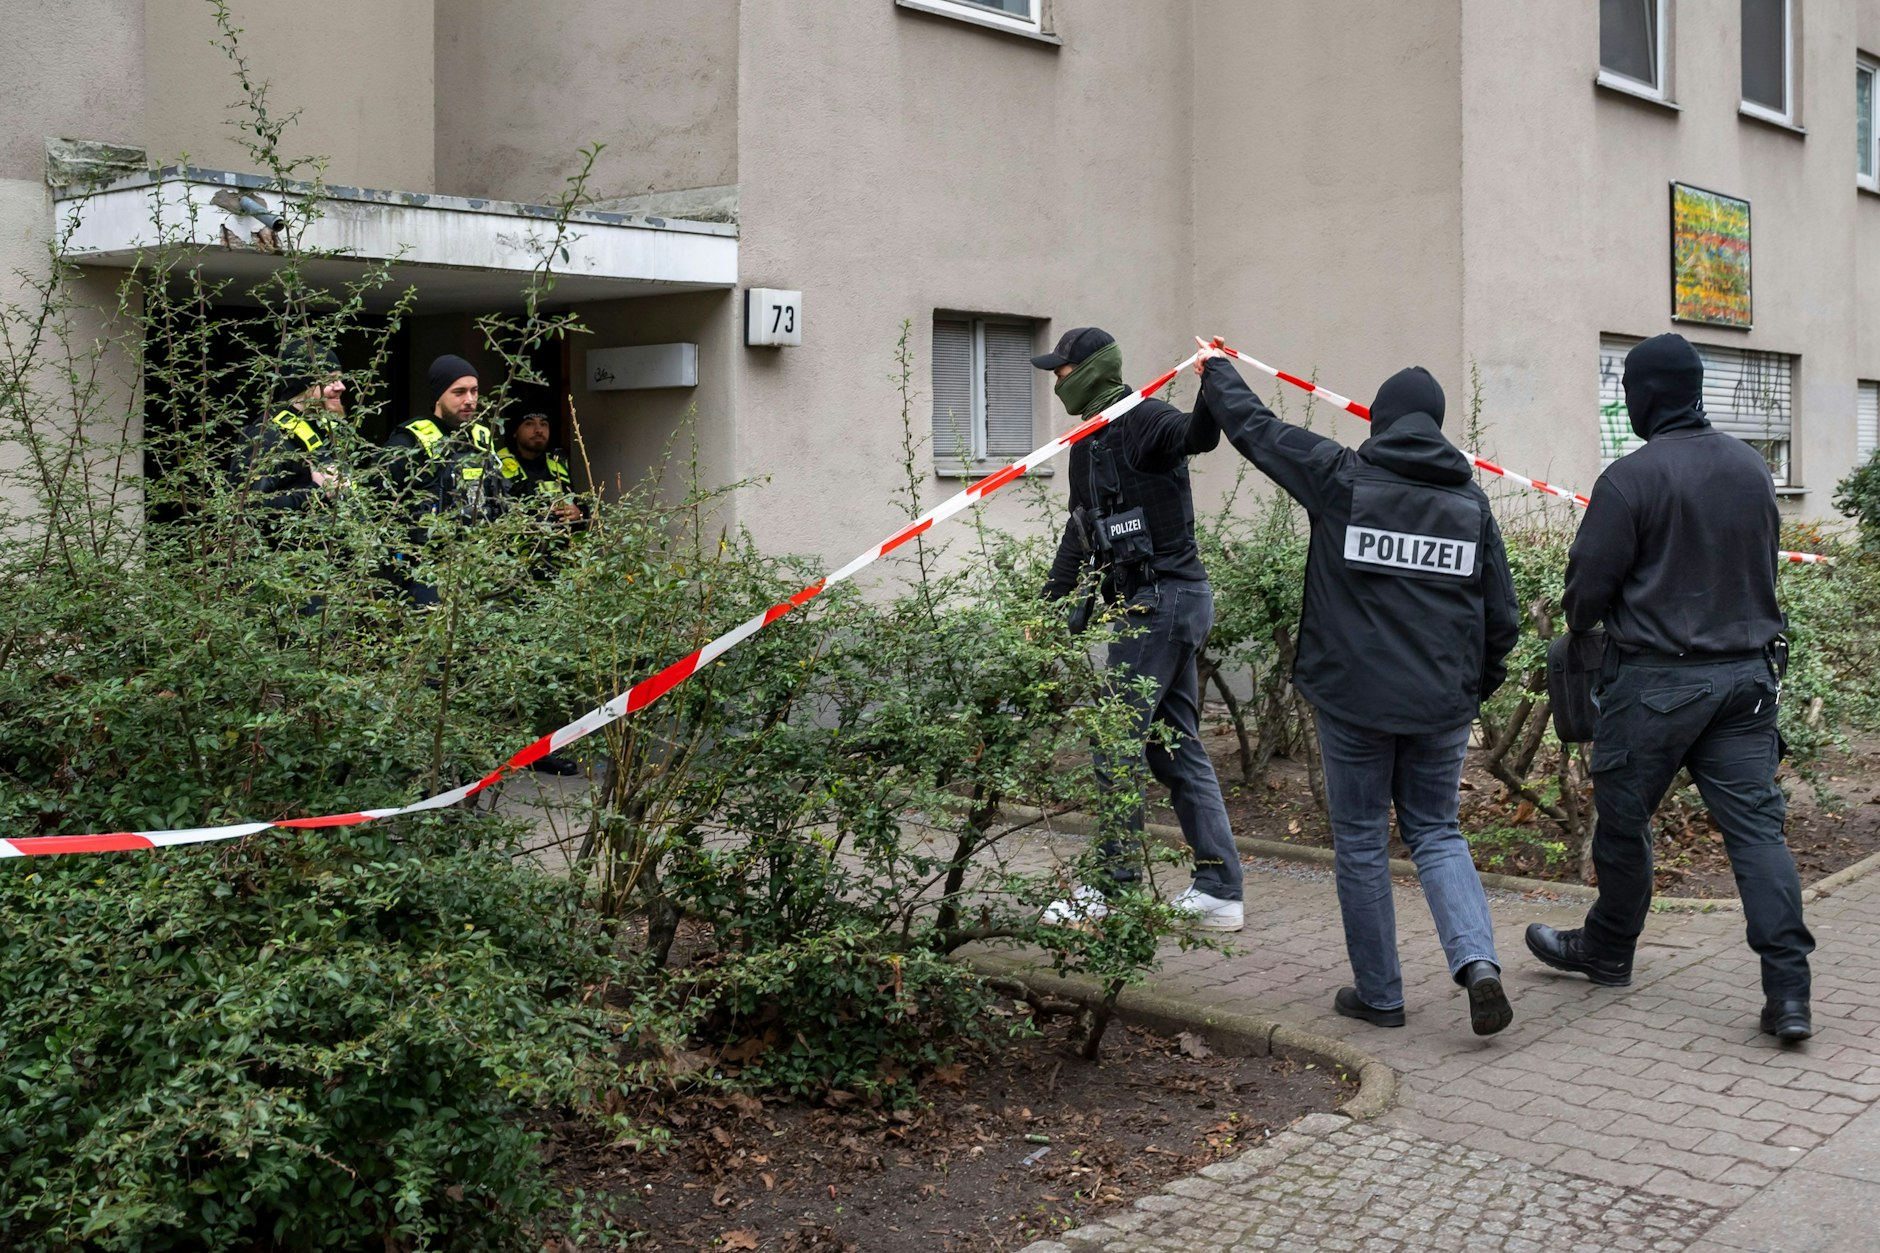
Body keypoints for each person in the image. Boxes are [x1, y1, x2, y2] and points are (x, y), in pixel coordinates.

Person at [1194, 345, 1519, 1036]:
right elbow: (1504, 619)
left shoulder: (1342, 476)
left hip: (1352, 699)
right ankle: (1479, 964)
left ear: (1381, 423)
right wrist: (1470, 689)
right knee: (1437, 830)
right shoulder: (1470, 505)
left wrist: (1216, 371)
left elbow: (1258, 431)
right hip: (1440, 703)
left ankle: (1381, 994)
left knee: (1365, 838)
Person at [1525, 333, 1815, 1043]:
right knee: (1757, 835)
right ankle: (1790, 994)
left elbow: (1585, 595)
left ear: (1647, 396)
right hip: (1748, 681)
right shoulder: (1752, 469)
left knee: (1623, 823)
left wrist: (1591, 620)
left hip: (1655, 685)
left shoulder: (1631, 479)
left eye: (1630, 392)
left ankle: (1608, 948)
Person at [1033, 326, 1245, 932]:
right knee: (1172, 746)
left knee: (1114, 738)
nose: (1056, 381)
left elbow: (1199, 436)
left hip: (1168, 600)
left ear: (1093, 370)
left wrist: (1212, 381)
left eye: (1063, 370)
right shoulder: (1087, 443)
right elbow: (1080, 532)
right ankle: (1219, 892)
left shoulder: (1145, 418)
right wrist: (1050, 616)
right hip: (1143, 605)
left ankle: (1113, 887)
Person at [497, 410, 587, 777]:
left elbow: (584, 507)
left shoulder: (558, 465)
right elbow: (497, 516)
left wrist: (579, 511)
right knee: (516, 668)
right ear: (514, 428)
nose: (538, 430)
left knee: (550, 669)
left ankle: (541, 748)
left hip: (555, 580)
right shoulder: (499, 465)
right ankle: (511, 747)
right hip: (513, 584)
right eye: (530, 422)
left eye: (544, 423)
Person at [382, 354, 507, 605]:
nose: (470, 400)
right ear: (439, 396)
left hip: (479, 567)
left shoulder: (481, 439)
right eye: (459, 392)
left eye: (474, 391)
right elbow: (377, 500)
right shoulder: (410, 441)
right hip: (428, 571)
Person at [229, 337, 347, 521]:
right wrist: (314, 493)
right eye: (330, 380)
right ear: (304, 384)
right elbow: (248, 507)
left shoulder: (323, 429)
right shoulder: (267, 435)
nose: (341, 387)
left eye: (340, 379)